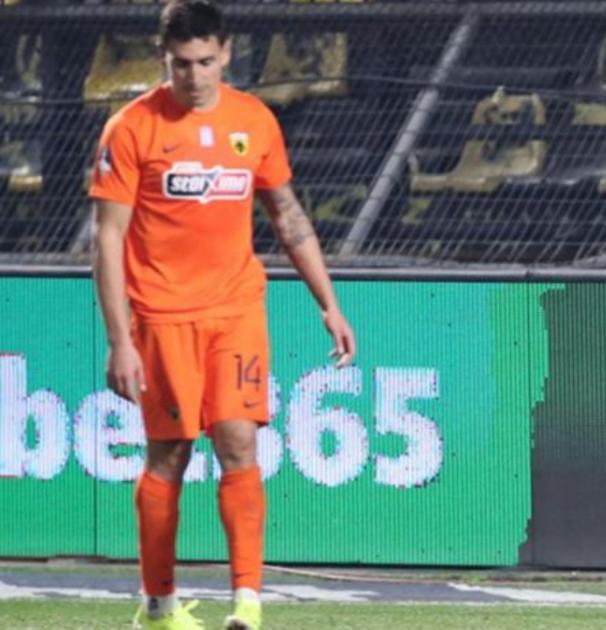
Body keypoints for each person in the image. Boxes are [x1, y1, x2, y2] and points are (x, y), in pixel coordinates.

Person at [89, 2, 356, 629]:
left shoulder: (254, 120)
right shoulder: (131, 128)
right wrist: (120, 340)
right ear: (163, 59)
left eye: (206, 61)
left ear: (226, 53)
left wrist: (329, 303)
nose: (194, 76)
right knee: (170, 455)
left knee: (239, 440)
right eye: (181, 64)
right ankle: (158, 607)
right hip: (162, 315)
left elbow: (287, 215)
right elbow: (107, 238)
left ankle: (247, 602)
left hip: (236, 309)